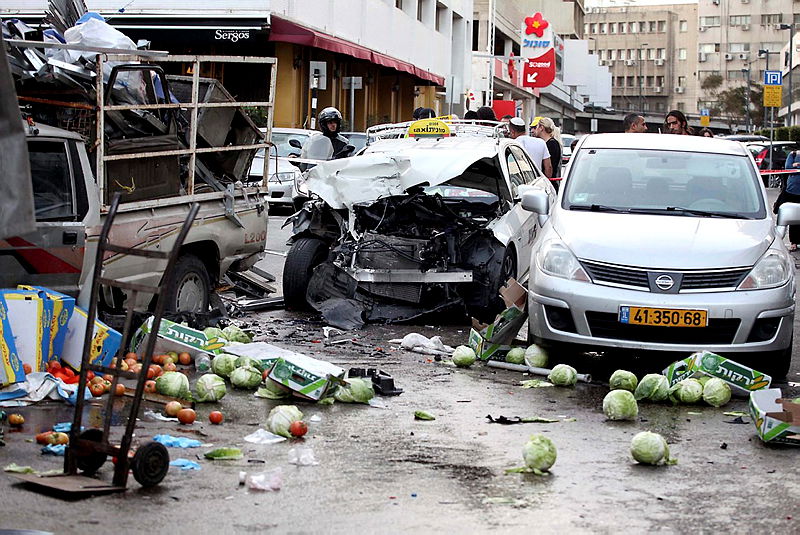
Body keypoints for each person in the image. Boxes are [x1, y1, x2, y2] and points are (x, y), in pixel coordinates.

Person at [776, 150, 800, 251]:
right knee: (793, 217)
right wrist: (798, 159)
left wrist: (797, 164)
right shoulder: (793, 154)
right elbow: (788, 168)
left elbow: (794, 166)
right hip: (793, 191)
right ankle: (793, 242)